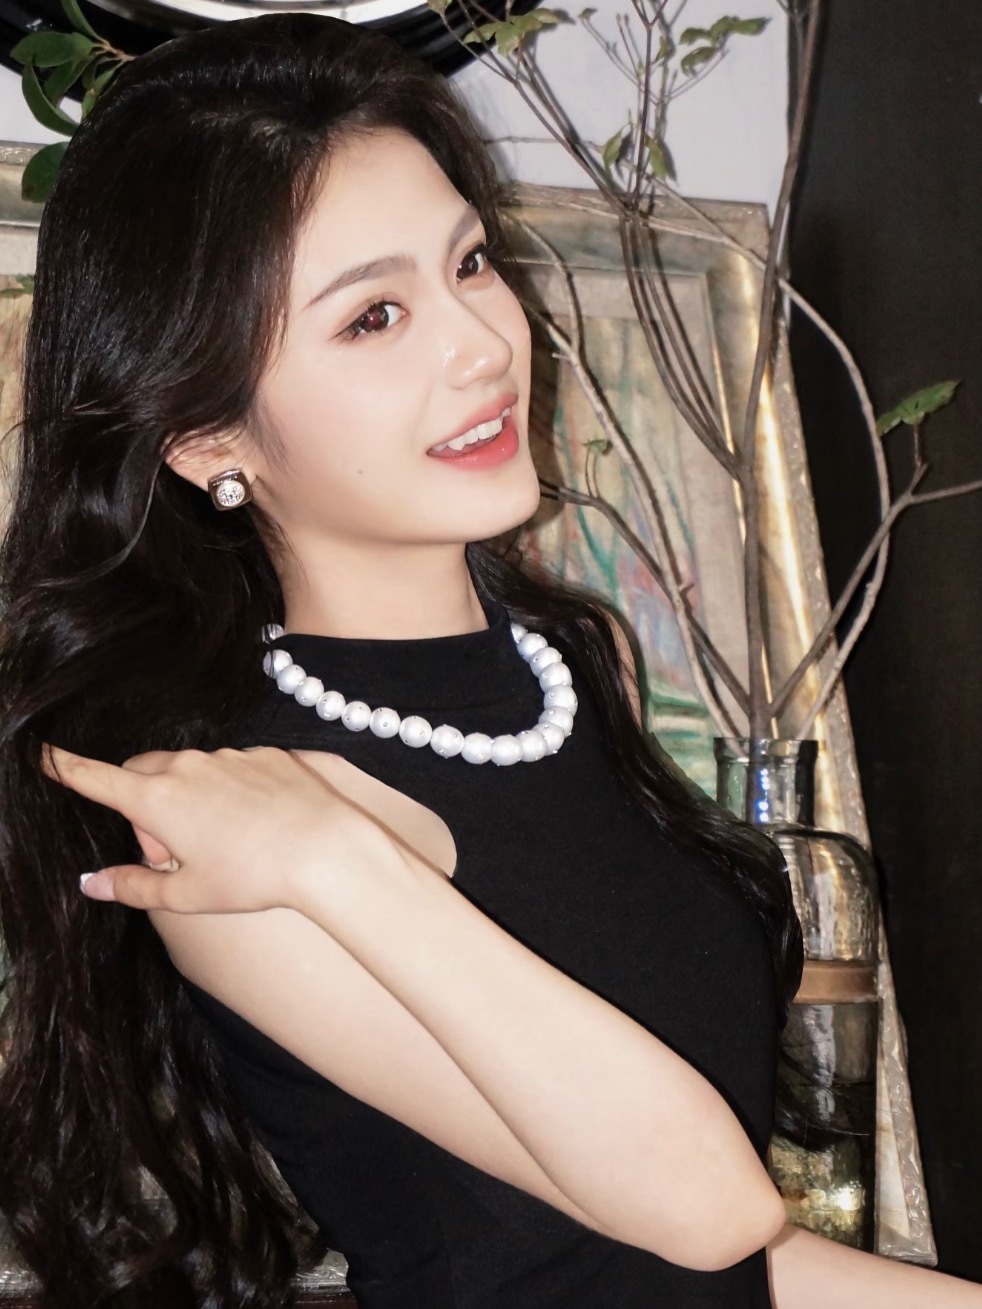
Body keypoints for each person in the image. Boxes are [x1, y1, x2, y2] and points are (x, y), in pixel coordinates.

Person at [0, 12, 978, 1308]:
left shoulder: (564, 665)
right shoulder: (242, 828)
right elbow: (705, 1205)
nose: (479, 343)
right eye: (374, 317)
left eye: (469, 263)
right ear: (204, 436)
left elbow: (727, 1264)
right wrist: (342, 859)